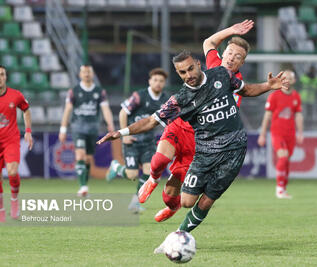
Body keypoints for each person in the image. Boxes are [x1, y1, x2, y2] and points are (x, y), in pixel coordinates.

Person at [97, 50, 288, 252]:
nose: (189, 75)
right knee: (187, 201)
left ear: (198, 64)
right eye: (182, 73)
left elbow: (246, 90)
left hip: (234, 150)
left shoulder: (222, 75)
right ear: (178, 74)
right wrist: (120, 132)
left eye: (190, 68)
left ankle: (176, 237)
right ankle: (159, 185)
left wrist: (268, 86)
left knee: (206, 201)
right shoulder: (180, 99)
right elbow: (152, 121)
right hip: (204, 152)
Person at [138, 19, 253, 222]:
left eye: (238, 57)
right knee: (159, 160)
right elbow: (208, 43)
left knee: (174, 189)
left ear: (242, 63)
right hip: (181, 124)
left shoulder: (238, 83)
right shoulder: (215, 65)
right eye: (230, 53)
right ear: (223, 54)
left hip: (201, 140)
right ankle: (151, 179)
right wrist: (231, 30)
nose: (232, 59)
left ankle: (171, 208)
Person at [105, 68, 169, 212]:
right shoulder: (139, 96)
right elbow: (123, 113)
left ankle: (135, 203)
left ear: (164, 83)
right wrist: (125, 135)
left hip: (148, 142)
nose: (158, 83)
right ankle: (116, 167)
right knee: (132, 175)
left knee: (149, 172)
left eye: (161, 81)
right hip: (132, 141)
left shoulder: (165, 100)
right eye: (155, 80)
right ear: (150, 81)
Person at [59, 65, 114, 197]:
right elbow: (67, 110)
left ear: (92, 74)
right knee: (80, 155)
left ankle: (85, 185)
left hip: (93, 129)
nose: (86, 74)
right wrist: (63, 128)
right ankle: (83, 187)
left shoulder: (100, 91)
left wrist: (110, 125)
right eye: (84, 72)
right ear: (80, 74)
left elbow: (105, 109)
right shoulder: (74, 91)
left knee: (88, 159)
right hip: (78, 127)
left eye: (89, 72)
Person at [257, 70, 303, 199]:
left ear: (294, 81)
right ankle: (279, 188)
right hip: (277, 133)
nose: (287, 80)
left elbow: (298, 115)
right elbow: (267, 115)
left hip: (291, 134)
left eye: (290, 78)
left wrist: (300, 132)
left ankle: (283, 187)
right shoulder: (274, 96)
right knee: (283, 157)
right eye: (284, 78)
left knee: (287, 160)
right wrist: (262, 134)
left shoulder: (296, 97)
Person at [0, 65, 33, 221]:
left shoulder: (15, 95)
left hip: (10, 140)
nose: (0, 77)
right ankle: (1, 208)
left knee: (12, 172)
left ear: (6, 77)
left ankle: (14, 200)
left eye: (2, 74)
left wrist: (27, 131)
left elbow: (26, 109)